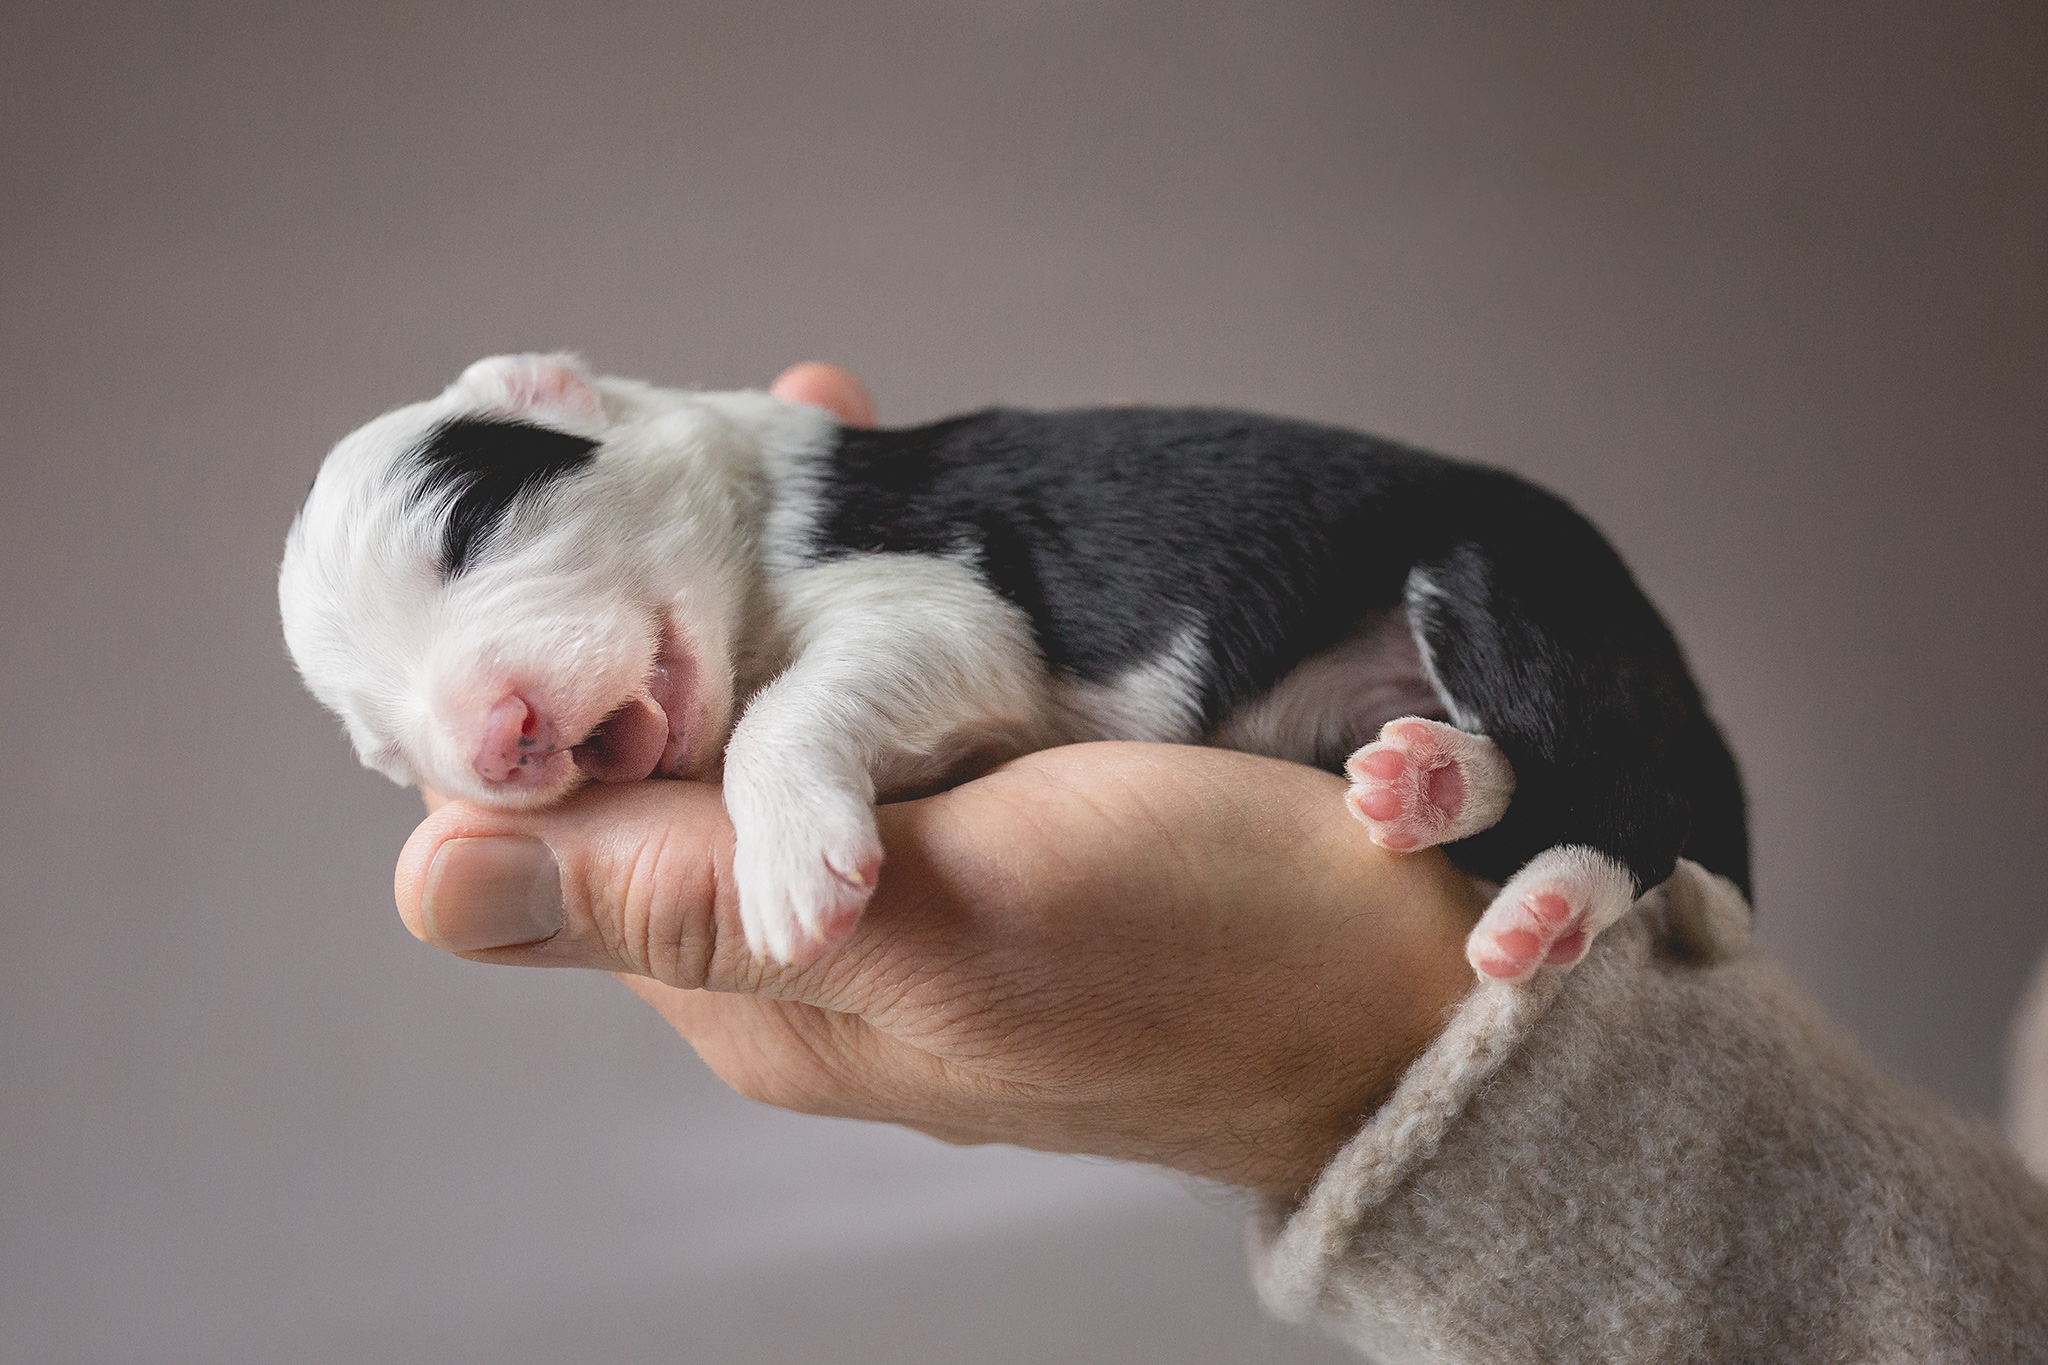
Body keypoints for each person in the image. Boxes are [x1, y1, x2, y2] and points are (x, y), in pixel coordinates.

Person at [395, 364, 2048, 1362]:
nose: (472, 720)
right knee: (1417, 774)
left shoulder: (821, 522)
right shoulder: (723, 602)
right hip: (1323, 704)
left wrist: (789, 755)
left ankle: (1607, 844)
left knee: (1497, 591)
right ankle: (1490, 789)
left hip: (1419, 573)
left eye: (471, 547)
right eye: (384, 730)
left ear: (571, 409)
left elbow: (949, 644)